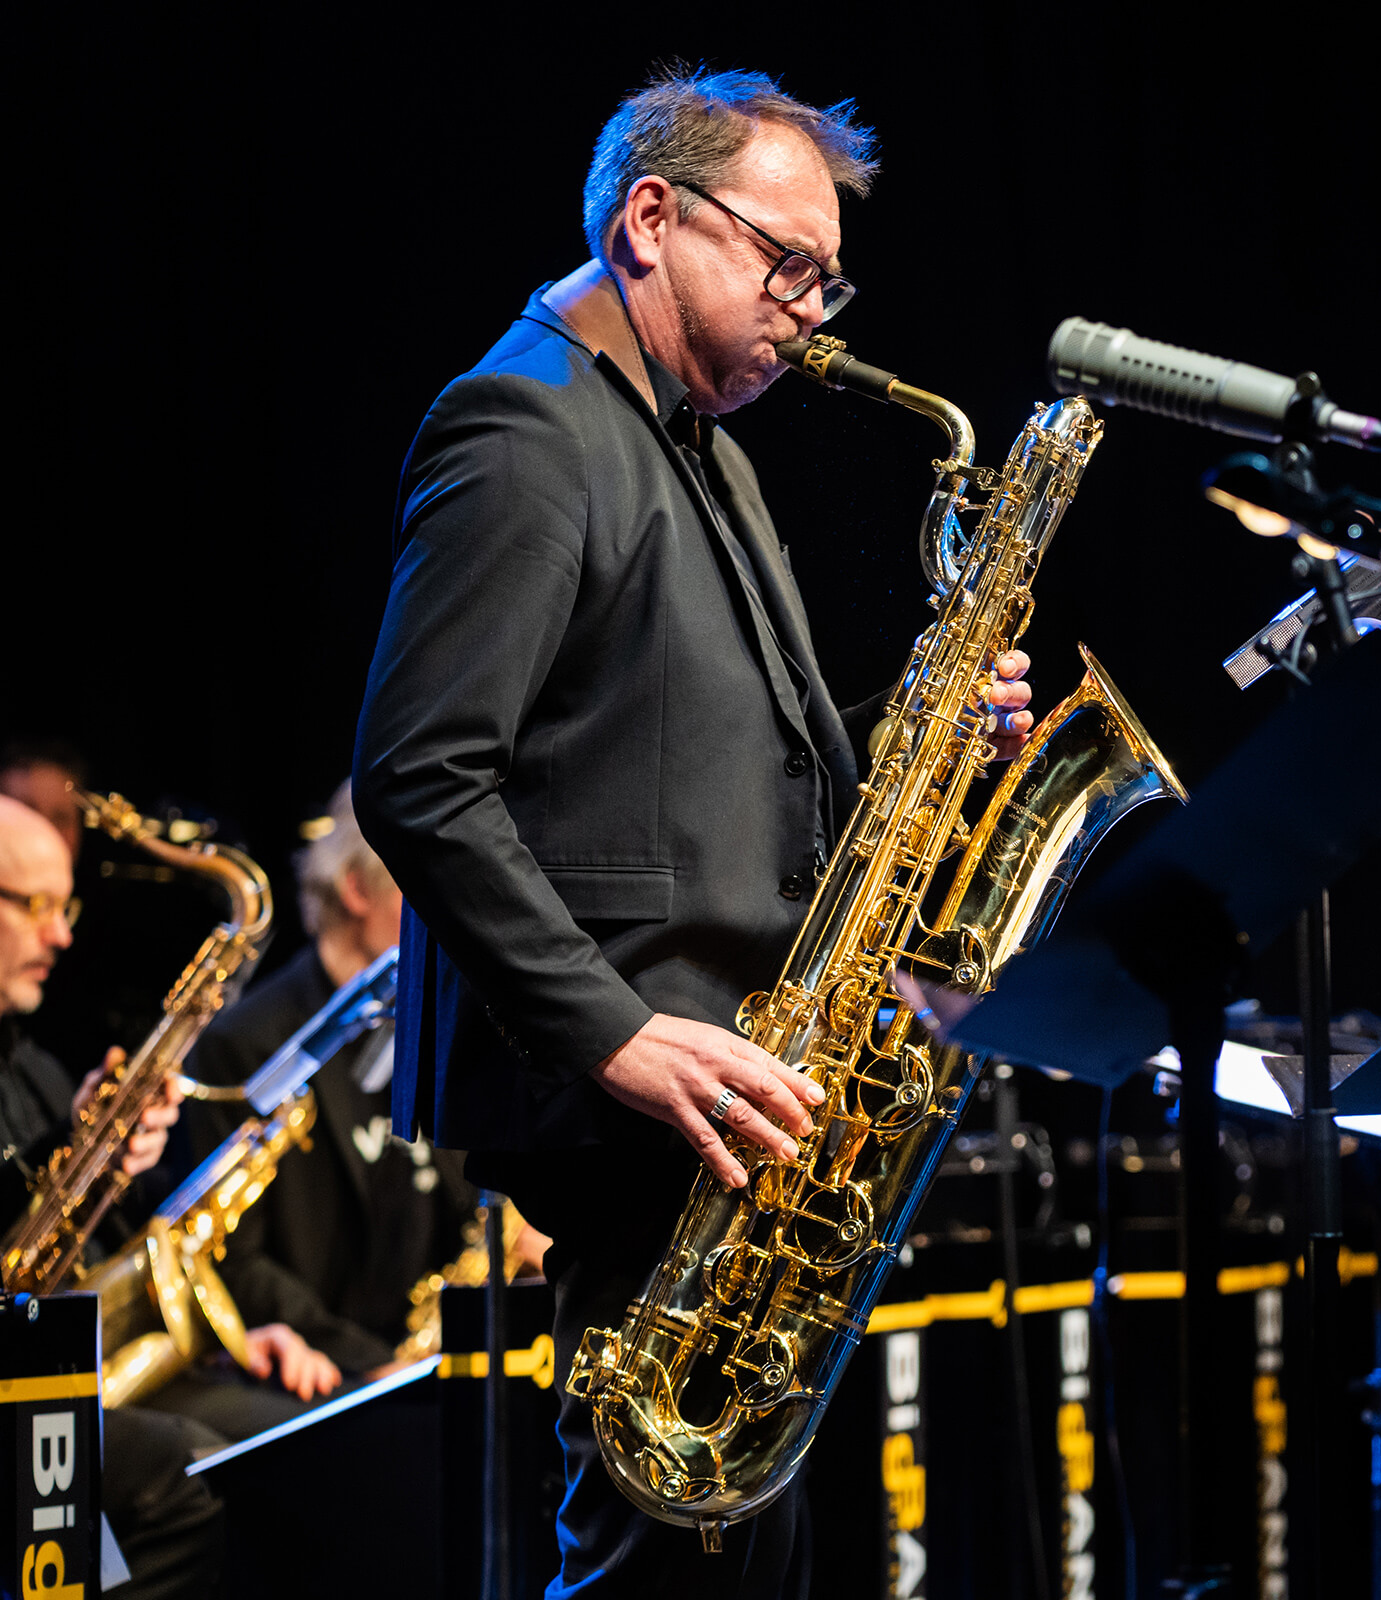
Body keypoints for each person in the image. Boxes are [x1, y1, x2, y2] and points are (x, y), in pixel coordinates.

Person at [351, 66, 1035, 1596]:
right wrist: (616, 1033)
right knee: (669, 1555)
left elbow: (702, 745)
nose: (813, 307)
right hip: (639, 1095)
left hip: (731, 1084)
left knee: (722, 1557)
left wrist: (919, 729)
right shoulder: (522, 425)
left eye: (828, 273)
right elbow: (418, 776)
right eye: (785, 263)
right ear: (650, 220)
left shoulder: (695, 437)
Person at [162, 780, 497, 1440]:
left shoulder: (439, 1024)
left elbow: (470, 1203)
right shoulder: (248, 1044)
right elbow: (228, 1255)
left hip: (426, 1369)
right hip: (316, 1377)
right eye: (424, 886)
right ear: (356, 889)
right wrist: (370, 1365)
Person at [0, 792, 225, 1598]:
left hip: (52, 1365)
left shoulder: (35, 1064)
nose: (62, 935)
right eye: (34, 906)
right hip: (14, 1389)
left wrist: (111, 1154)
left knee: (256, 1449)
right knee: (185, 1474)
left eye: (68, 907)